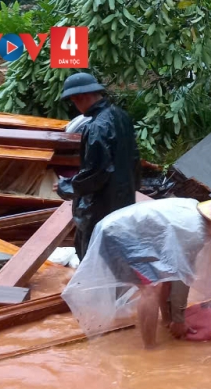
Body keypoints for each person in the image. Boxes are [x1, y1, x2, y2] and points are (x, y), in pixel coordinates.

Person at [61, 193, 211, 349]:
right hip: (119, 234)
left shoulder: (199, 217)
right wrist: (179, 319)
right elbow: (183, 278)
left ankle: (164, 322)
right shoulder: (195, 232)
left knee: (161, 279)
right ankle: (149, 348)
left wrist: (173, 318)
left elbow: (173, 274)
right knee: (150, 289)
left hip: (124, 230)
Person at [55, 72, 141, 261]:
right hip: (124, 199)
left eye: (74, 101)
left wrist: (67, 186)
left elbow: (96, 172)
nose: (75, 106)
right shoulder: (121, 116)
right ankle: (115, 288)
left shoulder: (97, 127)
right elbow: (134, 158)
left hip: (101, 205)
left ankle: (97, 290)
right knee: (117, 252)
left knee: (94, 255)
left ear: (81, 97)